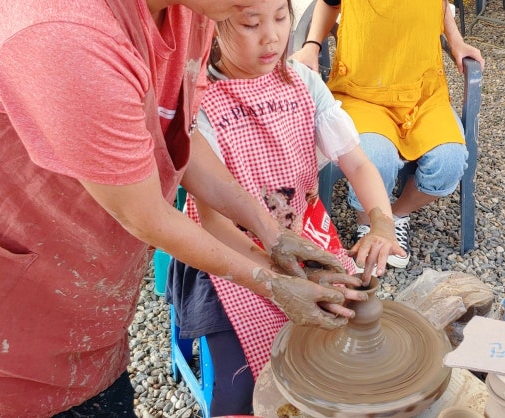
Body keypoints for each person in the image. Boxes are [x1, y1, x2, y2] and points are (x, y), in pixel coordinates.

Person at [0, 1, 370, 416]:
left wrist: (272, 233)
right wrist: (269, 282)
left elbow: (178, 132)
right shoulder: (64, 34)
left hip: (94, 285)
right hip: (13, 317)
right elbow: (143, 212)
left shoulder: (196, 8)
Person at [167, 0, 404, 414]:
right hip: (225, 253)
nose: (273, 36)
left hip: (305, 237)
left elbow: (359, 163)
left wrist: (381, 222)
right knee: (246, 387)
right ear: (213, 26)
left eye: (281, 18)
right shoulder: (200, 97)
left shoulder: (305, 83)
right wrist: (274, 276)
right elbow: (215, 225)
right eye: (251, 23)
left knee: (348, 338)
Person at [291, 0, 486, 269]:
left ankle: (395, 216)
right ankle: (369, 223)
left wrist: (456, 41)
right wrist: (311, 46)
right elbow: (329, 3)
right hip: (361, 92)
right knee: (375, 158)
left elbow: (441, 5)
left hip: (423, 94)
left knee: (450, 163)